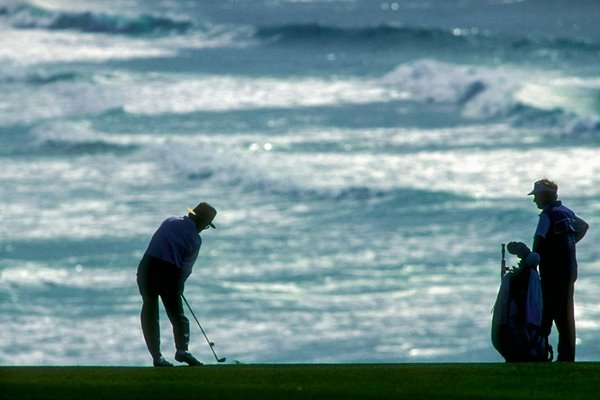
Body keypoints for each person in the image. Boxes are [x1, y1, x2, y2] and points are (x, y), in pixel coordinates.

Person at [136, 202, 217, 367]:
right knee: (177, 314)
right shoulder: (195, 239)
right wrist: (179, 285)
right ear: (201, 222)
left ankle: (157, 358)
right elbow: (186, 268)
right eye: (206, 226)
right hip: (168, 272)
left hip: (146, 268)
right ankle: (182, 350)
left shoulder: (169, 221)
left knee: (150, 312)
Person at [527, 179, 588, 361]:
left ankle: (538, 351)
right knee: (565, 315)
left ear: (545, 196)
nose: (534, 200)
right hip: (569, 271)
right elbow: (583, 226)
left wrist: (531, 262)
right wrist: (567, 243)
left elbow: (538, 241)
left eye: (536, 196)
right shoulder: (567, 213)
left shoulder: (548, 215)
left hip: (552, 272)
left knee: (546, 312)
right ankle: (567, 356)